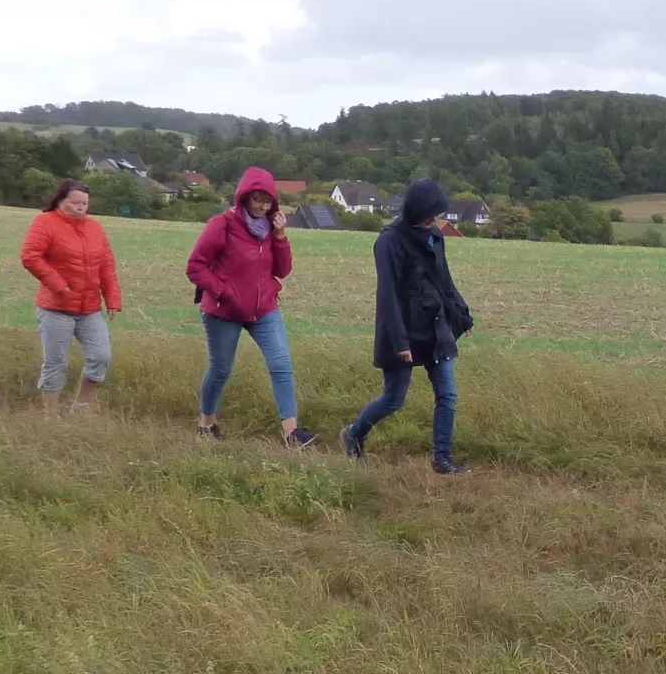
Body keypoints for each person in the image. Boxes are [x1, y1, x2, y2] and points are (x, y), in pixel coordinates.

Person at [342, 178, 473, 471]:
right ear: (414, 210)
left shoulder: (435, 236)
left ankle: (442, 459)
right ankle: (353, 433)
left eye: (436, 213)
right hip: (402, 329)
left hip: (435, 327)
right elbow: (387, 295)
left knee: (447, 395)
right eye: (428, 213)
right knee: (393, 400)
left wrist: (462, 315)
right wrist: (399, 342)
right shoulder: (389, 241)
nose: (433, 219)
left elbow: (444, 280)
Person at [187, 167, 314, 449]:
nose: (263, 207)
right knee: (220, 370)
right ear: (244, 197)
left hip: (264, 309)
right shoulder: (222, 224)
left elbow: (282, 270)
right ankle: (206, 424)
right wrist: (224, 291)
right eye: (258, 200)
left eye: (268, 201)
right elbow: (195, 267)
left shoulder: (271, 228)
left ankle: (292, 434)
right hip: (223, 312)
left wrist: (280, 237)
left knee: (281, 364)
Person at [19, 178, 123, 413]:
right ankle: (51, 414)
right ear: (60, 200)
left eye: (84, 203)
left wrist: (112, 299)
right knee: (56, 362)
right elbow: (30, 256)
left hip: (89, 308)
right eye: (75, 202)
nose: (80, 207)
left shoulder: (95, 228)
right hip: (55, 307)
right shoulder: (44, 222)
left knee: (101, 356)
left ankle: (81, 404)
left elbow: (106, 265)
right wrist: (59, 285)